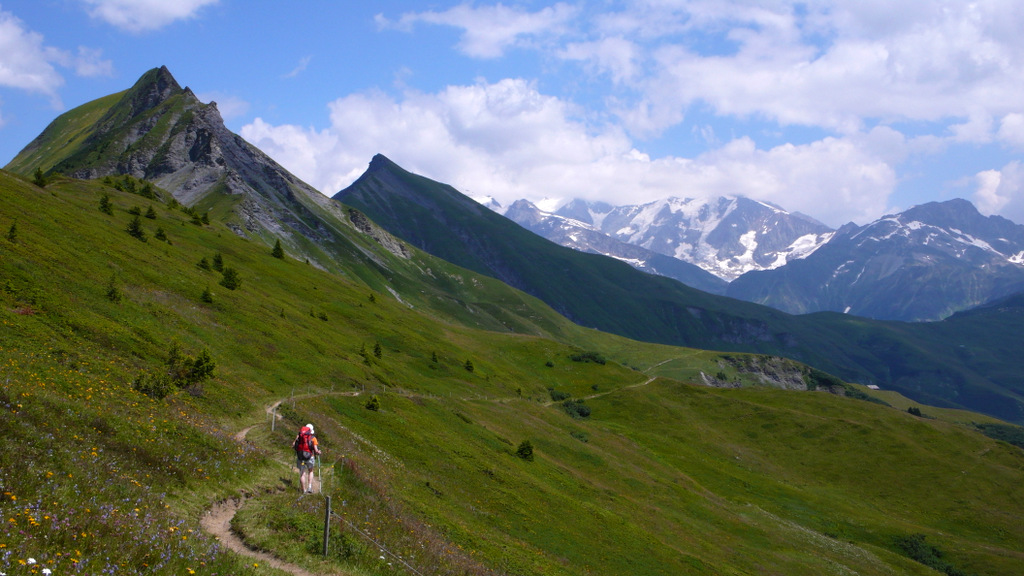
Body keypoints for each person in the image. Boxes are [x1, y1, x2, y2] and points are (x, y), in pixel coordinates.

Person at [293, 423, 321, 493]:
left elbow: (294, 445)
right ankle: (309, 487)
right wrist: (318, 452)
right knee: (310, 471)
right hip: (310, 457)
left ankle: (303, 490)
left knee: (302, 473)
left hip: (300, 456)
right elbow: (316, 450)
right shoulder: (313, 438)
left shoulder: (299, 436)